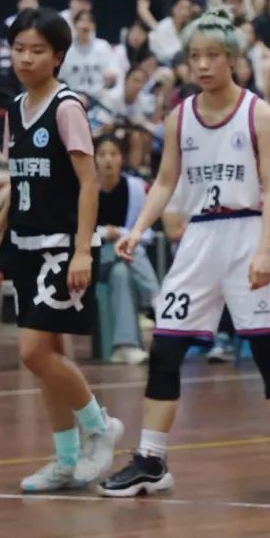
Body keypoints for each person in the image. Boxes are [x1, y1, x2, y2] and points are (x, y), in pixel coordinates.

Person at [100, 9, 270, 498]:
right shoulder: (179, 117)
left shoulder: (259, 114)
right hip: (199, 238)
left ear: (232, 58)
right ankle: (151, 459)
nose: (202, 64)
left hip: (249, 232)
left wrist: (265, 249)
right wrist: (137, 229)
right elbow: (165, 181)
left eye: (212, 55)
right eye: (195, 56)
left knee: (269, 353)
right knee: (165, 347)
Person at [0, 8, 122, 493]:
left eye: (36, 50)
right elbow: (18, 179)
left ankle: (100, 428)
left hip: (62, 248)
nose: (25, 58)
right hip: (26, 244)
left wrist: (82, 251)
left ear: (58, 56)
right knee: (50, 358)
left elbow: (89, 183)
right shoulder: (14, 109)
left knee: (33, 353)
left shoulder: (66, 107)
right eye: (19, 48)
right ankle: (65, 460)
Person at [95, 134, 156, 365]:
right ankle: (157, 299)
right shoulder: (84, 188)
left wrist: (122, 234)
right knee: (129, 252)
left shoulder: (135, 188)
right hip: (90, 259)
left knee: (120, 272)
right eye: (102, 154)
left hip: (122, 259)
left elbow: (147, 233)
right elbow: (73, 233)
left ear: (122, 158)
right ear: (94, 159)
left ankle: (124, 347)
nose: (108, 160)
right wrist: (103, 233)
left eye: (113, 154)